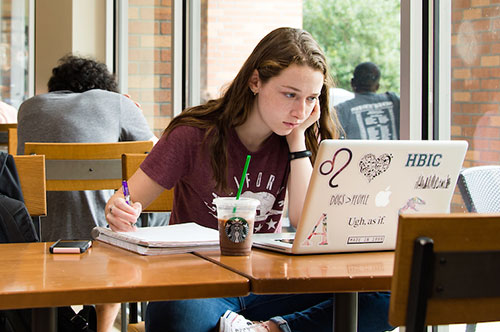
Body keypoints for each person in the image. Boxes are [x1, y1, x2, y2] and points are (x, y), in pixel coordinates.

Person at [105, 27, 393, 332]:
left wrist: (297, 144)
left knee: (389, 295)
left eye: (311, 98)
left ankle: (269, 329)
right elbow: (124, 197)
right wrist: (119, 207)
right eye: (290, 95)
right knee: (174, 314)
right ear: (255, 81)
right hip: (202, 283)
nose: (300, 110)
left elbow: (304, 219)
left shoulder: (298, 138)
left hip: (272, 283)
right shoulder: (193, 134)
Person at [17, 54, 159, 332]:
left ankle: (66, 320)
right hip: (105, 237)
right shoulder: (116, 103)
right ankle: (104, 328)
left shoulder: (27, 108)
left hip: (37, 238)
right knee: (141, 211)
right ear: (103, 87)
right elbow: (158, 158)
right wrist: (131, 109)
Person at [335, 62, 400, 140]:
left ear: (352, 83)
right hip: (396, 152)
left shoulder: (341, 110)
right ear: (377, 86)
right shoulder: (394, 100)